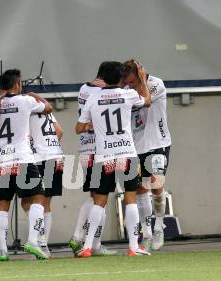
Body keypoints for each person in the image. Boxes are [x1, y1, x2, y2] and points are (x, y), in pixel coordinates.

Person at [75, 61, 151, 257]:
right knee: (131, 198)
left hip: (104, 156)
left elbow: (78, 129)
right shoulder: (128, 95)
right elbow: (147, 100)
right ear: (120, 79)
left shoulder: (92, 98)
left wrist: (96, 123)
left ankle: (88, 246)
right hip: (126, 153)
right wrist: (142, 78)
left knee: (99, 201)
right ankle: (134, 247)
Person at [0, 69, 53, 261]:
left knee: (3, 204)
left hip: (1, 162)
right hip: (22, 158)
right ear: (17, 85)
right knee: (39, 198)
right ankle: (33, 240)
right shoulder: (26, 101)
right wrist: (33, 95)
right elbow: (47, 108)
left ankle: (3, 250)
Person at [122, 60, 171, 251]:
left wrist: (141, 81)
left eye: (133, 81)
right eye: (128, 82)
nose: (130, 85)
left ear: (141, 75)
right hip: (137, 145)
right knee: (141, 189)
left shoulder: (156, 84)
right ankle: (147, 233)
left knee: (156, 183)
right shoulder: (126, 89)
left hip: (158, 142)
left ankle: (159, 227)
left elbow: (146, 100)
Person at [69, 63, 117, 256]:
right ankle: (86, 240)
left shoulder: (84, 88)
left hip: (85, 148)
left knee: (94, 195)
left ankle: (82, 238)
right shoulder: (101, 93)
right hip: (100, 149)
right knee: (101, 198)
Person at [21, 111, 64, 258]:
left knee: (28, 202)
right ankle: (43, 245)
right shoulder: (47, 111)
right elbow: (59, 131)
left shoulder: (24, 110)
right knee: (45, 203)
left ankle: (40, 243)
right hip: (55, 155)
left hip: (37, 158)